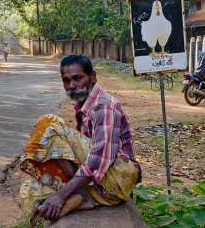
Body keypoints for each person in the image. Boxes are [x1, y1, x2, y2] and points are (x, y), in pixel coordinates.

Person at [19, 54, 142, 227]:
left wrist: (61, 195)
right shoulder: (83, 105)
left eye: (77, 78)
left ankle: (82, 194)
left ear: (92, 77)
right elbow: (79, 154)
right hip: (102, 183)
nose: (71, 86)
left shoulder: (103, 106)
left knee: (48, 124)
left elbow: (99, 159)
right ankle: (84, 196)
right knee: (29, 191)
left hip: (117, 178)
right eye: (66, 81)